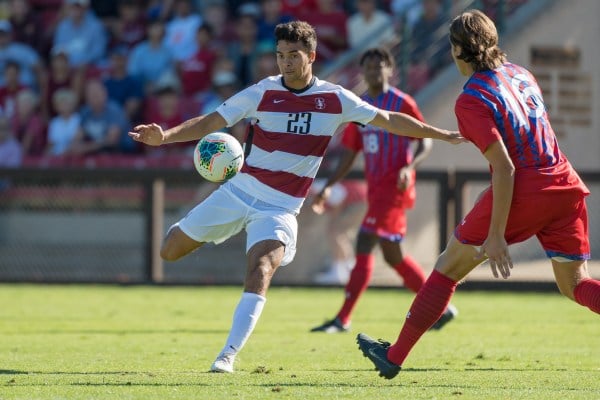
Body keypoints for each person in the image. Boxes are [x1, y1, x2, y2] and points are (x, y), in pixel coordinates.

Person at [129, 20, 463, 374]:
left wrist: (440, 134)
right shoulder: (262, 92)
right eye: (280, 55)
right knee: (170, 249)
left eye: (293, 55)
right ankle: (218, 233)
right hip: (239, 191)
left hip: (280, 207)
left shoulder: (335, 99)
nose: (285, 62)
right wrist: (165, 137)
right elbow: (213, 121)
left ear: (312, 56)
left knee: (261, 268)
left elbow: (391, 119)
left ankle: (226, 355)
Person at [356, 9, 598, 380]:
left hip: (525, 188)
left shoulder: (470, 99)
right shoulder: (521, 74)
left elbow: (506, 168)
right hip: (565, 183)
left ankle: (395, 356)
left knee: (447, 269)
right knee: (576, 285)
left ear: (455, 50)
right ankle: (394, 353)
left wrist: (497, 235)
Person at [310, 47, 457, 333]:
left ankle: (343, 319)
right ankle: (441, 307)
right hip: (377, 190)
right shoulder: (361, 107)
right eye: (368, 67)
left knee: (364, 242)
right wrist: (328, 185)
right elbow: (350, 152)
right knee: (393, 255)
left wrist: (409, 166)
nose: (374, 72)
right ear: (362, 72)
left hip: (396, 187)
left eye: (379, 66)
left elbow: (424, 139)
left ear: (390, 69)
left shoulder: (402, 103)